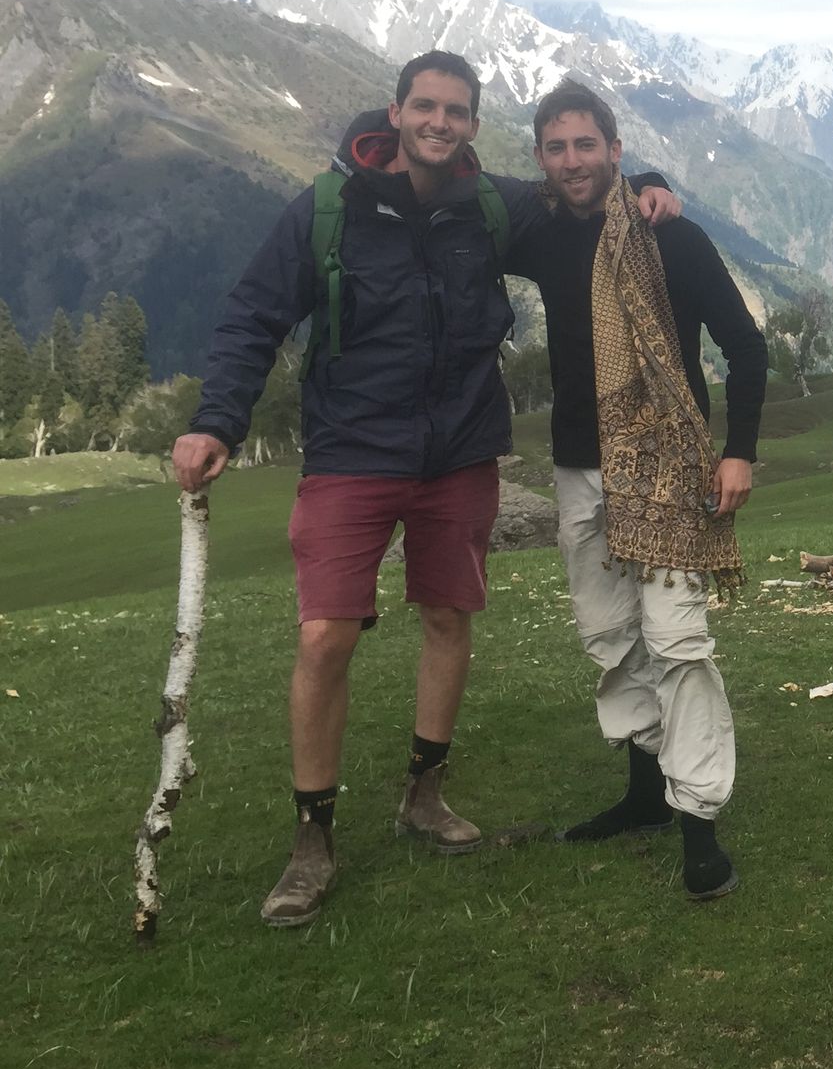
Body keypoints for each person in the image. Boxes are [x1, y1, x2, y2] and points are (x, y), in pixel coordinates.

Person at [171, 51, 677, 928]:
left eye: (457, 110)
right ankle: (312, 837)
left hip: (459, 451)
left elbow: (576, 189)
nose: (440, 122)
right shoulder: (327, 211)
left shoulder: (491, 205)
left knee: (448, 616)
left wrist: (650, 182)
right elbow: (253, 313)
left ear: (475, 123)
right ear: (396, 111)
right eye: (426, 107)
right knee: (326, 636)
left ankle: (423, 793)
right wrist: (218, 421)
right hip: (351, 450)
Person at [512, 79, 766, 900]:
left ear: (615, 152)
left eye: (588, 145)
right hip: (580, 468)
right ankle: (641, 795)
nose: (573, 161)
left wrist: (740, 454)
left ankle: (700, 829)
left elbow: (745, 348)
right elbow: (454, 182)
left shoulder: (673, 237)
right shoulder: (541, 233)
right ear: (542, 159)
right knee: (611, 634)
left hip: (667, 466)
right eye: (557, 147)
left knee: (677, 642)